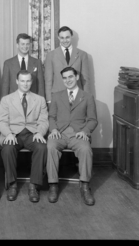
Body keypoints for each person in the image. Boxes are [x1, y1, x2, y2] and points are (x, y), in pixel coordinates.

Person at [46, 67, 98, 206]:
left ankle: (85, 185)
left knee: (86, 149)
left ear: (76, 77)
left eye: (70, 77)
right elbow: (51, 117)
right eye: (64, 78)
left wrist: (85, 131)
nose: (67, 80)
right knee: (50, 146)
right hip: (60, 133)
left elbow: (93, 120)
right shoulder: (56, 96)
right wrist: (53, 129)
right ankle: (53, 185)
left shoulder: (87, 96)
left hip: (78, 135)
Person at [0, 70, 48, 203]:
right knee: (7, 149)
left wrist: (39, 132)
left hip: (32, 133)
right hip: (13, 134)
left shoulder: (40, 99)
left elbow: (43, 120)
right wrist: (8, 134)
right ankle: (12, 184)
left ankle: (34, 185)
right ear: (17, 81)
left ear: (31, 82)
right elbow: (2, 121)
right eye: (22, 81)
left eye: (28, 81)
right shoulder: (6, 100)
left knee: (42, 147)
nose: (25, 84)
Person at [44, 26, 90, 105]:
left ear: (71, 37)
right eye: (62, 38)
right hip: (57, 97)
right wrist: (49, 100)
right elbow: (48, 80)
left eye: (67, 37)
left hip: (77, 97)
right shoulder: (51, 55)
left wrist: (87, 99)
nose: (65, 40)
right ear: (58, 38)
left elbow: (85, 80)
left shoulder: (82, 55)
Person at [1, 33, 45, 97]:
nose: (25, 47)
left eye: (27, 44)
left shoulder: (37, 62)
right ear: (17, 45)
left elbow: (40, 86)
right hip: (13, 101)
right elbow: (5, 87)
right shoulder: (8, 63)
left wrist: (41, 102)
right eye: (22, 44)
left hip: (32, 101)